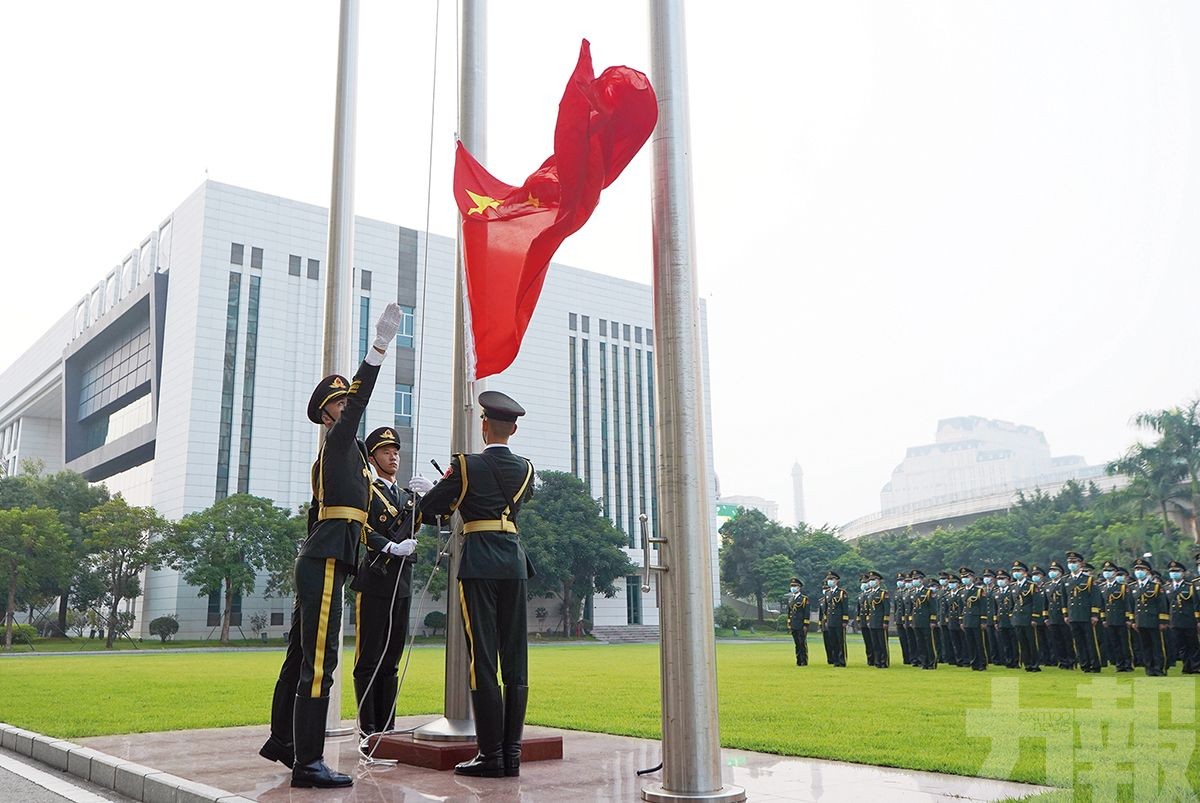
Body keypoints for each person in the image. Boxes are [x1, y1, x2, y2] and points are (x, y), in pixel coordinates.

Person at [260, 302, 404, 789]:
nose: (349, 410)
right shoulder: (339, 441)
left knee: (302, 657)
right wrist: (378, 350)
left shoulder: (353, 458)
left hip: (328, 556)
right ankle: (309, 763)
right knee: (321, 661)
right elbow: (360, 403)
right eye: (341, 405)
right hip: (323, 559)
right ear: (328, 414)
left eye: (347, 404)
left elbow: (353, 517)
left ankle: (285, 743)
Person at [416, 391, 536, 778]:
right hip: (514, 560)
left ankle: (490, 755)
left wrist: (433, 492)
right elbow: (519, 501)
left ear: (484, 426)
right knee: (515, 657)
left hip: (480, 558)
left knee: (482, 657)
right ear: (513, 429)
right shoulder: (527, 469)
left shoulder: (465, 466)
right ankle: (512, 754)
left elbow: (433, 507)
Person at [350, 427, 433, 737]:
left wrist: (430, 494)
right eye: (386, 451)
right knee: (369, 657)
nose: (393, 455)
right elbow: (358, 526)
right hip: (375, 579)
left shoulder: (407, 497)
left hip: (401, 582)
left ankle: (388, 728)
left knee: (392, 658)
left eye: (395, 451)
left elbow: (433, 519)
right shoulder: (366, 490)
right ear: (373, 458)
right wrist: (389, 546)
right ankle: (368, 728)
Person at [1063, 551, 1102, 673]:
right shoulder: (1066, 580)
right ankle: (1084, 664)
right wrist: (1065, 614)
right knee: (1078, 642)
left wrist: (1094, 615)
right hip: (1073, 615)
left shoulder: (1088, 579)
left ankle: (1094, 665)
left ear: (1081, 564)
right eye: (1069, 562)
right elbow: (1064, 599)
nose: (1071, 564)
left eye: (1074, 562)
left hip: (1086, 615)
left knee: (1090, 641)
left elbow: (1095, 598)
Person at [1130, 557, 1169, 676]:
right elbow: (1132, 606)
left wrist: (1163, 621)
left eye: (1141, 569)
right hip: (1141, 621)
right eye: (1136, 569)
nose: (1138, 571)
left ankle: (1159, 668)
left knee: (1157, 646)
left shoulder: (1155, 587)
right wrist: (1133, 621)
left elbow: (1162, 605)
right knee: (1145, 646)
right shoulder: (1134, 587)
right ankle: (1149, 668)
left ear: (1147, 571)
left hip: (1153, 620)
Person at [1164, 560, 1199, 674]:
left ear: (1183, 573)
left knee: (1192, 644)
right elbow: (1166, 605)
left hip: (1189, 620)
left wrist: (1197, 619)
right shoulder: (1167, 587)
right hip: (1174, 621)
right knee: (1181, 645)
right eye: (1172, 571)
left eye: (1177, 571)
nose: (1174, 573)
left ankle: (1196, 666)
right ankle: (1186, 666)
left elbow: (1195, 603)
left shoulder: (1189, 586)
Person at [1009, 561, 1042, 672]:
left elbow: (1036, 603)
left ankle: (1035, 664)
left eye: (1018, 571)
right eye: (1014, 571)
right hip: (1017, 619)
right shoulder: (1013, 586)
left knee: (1031, 642)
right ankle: (1027, 663)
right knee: (1022, 643)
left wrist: (1034, 618)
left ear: (1025, 573)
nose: (1016, 573)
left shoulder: (1031, 586)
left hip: (1028, 618)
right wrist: (1012, 617)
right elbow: (1011, 604)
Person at [1101, 565, 1134, 672]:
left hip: (1121, 619)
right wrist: (1104, 619)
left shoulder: (1123, 587)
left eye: (1109, 571)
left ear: (1115, 572)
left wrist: (1129, 619)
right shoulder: (1103, 587)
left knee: (1125, 643)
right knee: (1115, 643)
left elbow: (1127, 604)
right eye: (1105, 570)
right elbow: (1102, 606)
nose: (1107, 573)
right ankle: (1119, 664)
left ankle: (1128, 664)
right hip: (1110, 619)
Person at [960, 568, 989, 671]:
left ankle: (982, 663)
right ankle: (974, 663)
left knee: (979, 643)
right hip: (967, 620)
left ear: (972, 577)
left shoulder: (978, 591)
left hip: (976, 620)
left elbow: (983, 606)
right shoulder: (962, 591)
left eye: (966, 577)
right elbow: (961, 607)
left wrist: (983, 621)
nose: (964, 579)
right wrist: (961, 621)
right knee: (970, 643)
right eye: (963, 577)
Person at [819, 571, 848, 667]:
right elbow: (826, 609)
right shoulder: (827, 593)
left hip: (839, 621)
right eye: (828, 580)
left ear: (836, 581)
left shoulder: (841, 593)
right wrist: (826, 620)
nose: (829, 581)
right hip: (830, 621)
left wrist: (844, 620)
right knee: (833, 642)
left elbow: (845, 608)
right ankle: (835, 660)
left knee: (840, 641)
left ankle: (842, 660)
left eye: (831, 579)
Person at [909, 571, 937, 669]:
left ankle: (931, 662)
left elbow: (933, 607)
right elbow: (913, 608)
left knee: (929, 642)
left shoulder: (928, 592)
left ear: (921, 580)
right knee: (920, 643)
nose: (914, 581)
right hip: (917, 621)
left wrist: (933, 621)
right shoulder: (913, 592)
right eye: (913, 579)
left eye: (916, 579)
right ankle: (924, 662)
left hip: (926, 621)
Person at [864, 571, 890, 668]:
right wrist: (868, 621)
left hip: (880, 622)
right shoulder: (870, 594)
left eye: (873, 580)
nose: (871, 582)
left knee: (882, 643)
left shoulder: (883, 593)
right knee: (875, 644)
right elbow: (868, 610)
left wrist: (885, 621)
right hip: (872, 622)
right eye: (870, 580)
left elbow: (886, 609)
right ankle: (877, 661)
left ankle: (884, 662)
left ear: (878, 581)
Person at [786, 578, 810, 666]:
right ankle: (798, 660)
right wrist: (789, 623)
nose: (793, 588)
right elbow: (789, 613)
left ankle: (804, 660)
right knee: (796, 643)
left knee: (802, 643)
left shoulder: (804, 599)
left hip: (801, 624)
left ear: (799, 587)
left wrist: (805, 624)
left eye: (794, 586)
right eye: (792, 586)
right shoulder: (791, 599)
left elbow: (806, 613)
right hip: (794, 624)